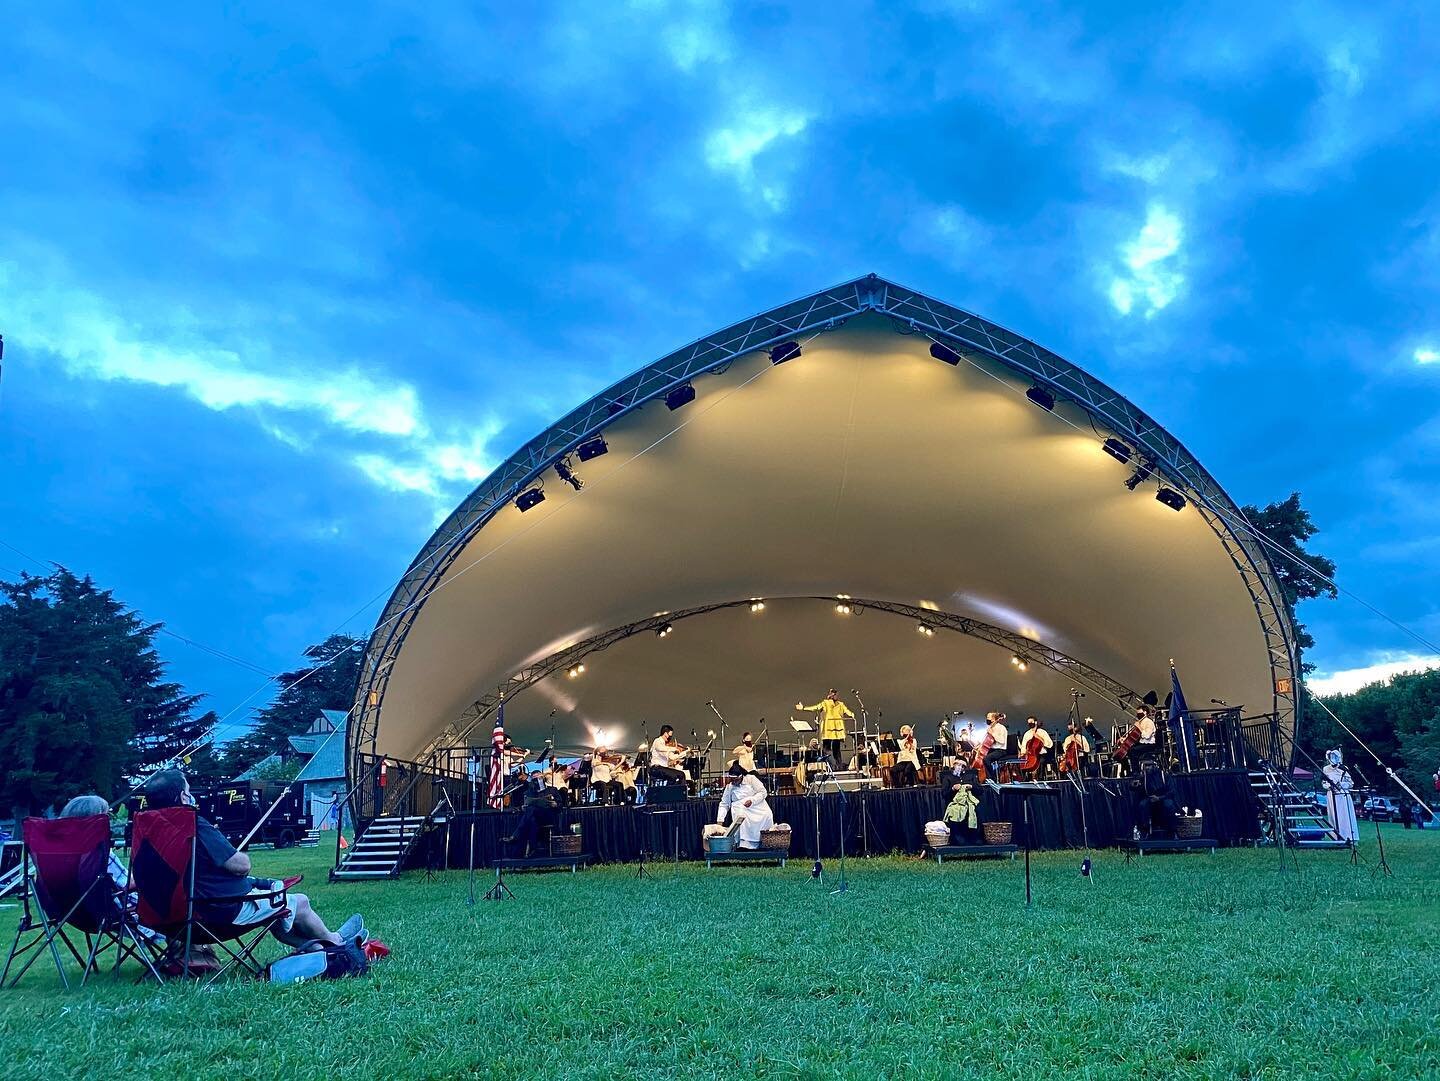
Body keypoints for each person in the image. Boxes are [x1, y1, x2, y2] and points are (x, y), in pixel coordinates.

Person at [143, 770, 362, 950]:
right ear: (183, 797)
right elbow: (241, 866)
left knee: (276, 904)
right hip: (214, 915)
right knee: (300, 902)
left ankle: (316, 949)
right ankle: (336, 942)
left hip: (166, 920)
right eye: (189, 791)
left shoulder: (147, 832)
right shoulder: (192, 824)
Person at [715, 763, 774, 849]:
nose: (734, 782)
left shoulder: (751, 779)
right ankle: (744, 846)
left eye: (736, 779)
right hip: (741, 809)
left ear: (741, 776)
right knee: (741, 815)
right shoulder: (729, 787)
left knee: (767, 814)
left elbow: (763, 792)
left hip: (756, 806)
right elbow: (724, 804)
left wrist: (752, 801)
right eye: (732, 780)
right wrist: (720, 820)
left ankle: (765, 843)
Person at [503, 772, 560, 856]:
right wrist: (523, 807)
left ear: (543, 778)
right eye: (535, 779)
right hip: (534, 817)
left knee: (531, 811)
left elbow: (561, 805)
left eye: (539, 778)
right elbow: (523, 805)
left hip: (548, 816)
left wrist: (555, 804)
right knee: (532, 819)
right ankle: (533, 849)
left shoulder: (552, 789)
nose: (537, 780)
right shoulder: (529, 792)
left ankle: (515, 836)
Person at [795, 689, 855, 766]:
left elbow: (847, 711)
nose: (837, 696)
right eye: (835, 695)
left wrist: (852, 715)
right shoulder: (825, 703)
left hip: (837, 730)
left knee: (835, 748)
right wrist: (803, 708)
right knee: (827, 748)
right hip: (828, 729)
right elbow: (815, 707)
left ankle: (838, 765)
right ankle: (829, 765)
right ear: (832, 696)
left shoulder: (840, 704)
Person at [1320, 748, 1358, 843]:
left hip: (1342, 796)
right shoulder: (1326, 769)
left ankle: (1348, 836)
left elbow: (1350, 783)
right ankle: (1335, 836)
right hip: (1332, 795)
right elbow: (1324, 782)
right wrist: (1329, 786)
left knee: (1344, 816)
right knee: (1334, 816)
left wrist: (1341, 785)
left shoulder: (1343, 769)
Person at [983, 712, 1009, 780]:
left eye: (988, 718)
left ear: (994, 719)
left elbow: (1002, 741)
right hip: (992, 750)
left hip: (1000, 750)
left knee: (986, 759)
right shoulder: (990, 728)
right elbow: (986, 741)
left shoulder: (1001, 728)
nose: (987, 719)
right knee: (981, 758)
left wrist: (992, 733)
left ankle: (992, 778)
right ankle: (983, 777)